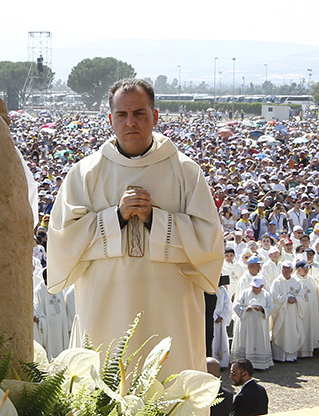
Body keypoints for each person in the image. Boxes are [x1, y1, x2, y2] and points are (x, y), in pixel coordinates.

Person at [47, 78, 224, 376]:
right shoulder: (85, 173)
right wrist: (114, 217)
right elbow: (62, 241)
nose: (131, 122)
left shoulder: (185, 172)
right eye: (122, 114)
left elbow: (209, 243)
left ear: (155, 116)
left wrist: (157, 220)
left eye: (140, 113)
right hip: (106, 310)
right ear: (110, 119)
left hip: (169, 312)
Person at [231, 276, 274, 370]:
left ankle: (259, 364)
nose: (255, 289)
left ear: (262, 286)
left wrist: (262, 309)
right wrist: (246, 309)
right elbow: (236, 305)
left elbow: (271, 307)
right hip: (247, 322)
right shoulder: (245, 293)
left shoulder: (266, 295)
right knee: (246, 340)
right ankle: (244, 364)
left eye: (257, 287)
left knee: (259, 340)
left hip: (260, 323)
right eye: (254, 287)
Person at [270, 261, 304, 362]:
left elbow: (302, 295)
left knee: (292, 332)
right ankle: (279, 357)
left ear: (292, 270)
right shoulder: (277, 282)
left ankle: (291, 357)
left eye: (288, 268)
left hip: (293, 313)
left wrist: (297, 299)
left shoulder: (296, 282)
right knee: (281, 332)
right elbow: (274, 297)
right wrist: (286, 299)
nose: (285, 271)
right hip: (281, 313)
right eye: (284, 268)